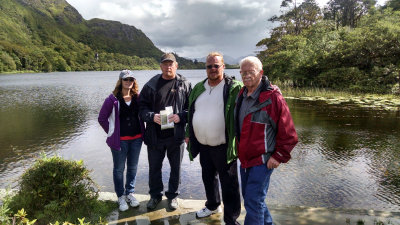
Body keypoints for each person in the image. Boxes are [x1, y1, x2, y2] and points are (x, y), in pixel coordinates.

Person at [235, 56, 298, 225]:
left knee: (253, 202)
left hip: (262, 160)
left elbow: (289, 134)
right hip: (245, 160)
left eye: (251, 72)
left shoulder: (273, 98)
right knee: (253, 199)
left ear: (261, 73)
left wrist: (278, 156)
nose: (246, 76)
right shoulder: (242, 93)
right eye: (243, 72)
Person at [186, 52, 242, 225]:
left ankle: (231, 219)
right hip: (203, 145)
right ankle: (212, 206)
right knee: (208, 177)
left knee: (229, 184)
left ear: (223, 67)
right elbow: (191, 112)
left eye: (216, 65)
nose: (212, 69)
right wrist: (188, 133)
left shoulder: (234, 87)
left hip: (223, 145)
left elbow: (252, 97)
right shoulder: (198, 87)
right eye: (209, 66)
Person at [139, 53, 191, 210]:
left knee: (176, 168)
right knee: (154, 168)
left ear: (176, 65)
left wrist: (181, 116)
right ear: (161, 66)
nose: (168, 66)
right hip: (155, 137)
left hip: (176, 136)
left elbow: (193, 109)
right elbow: (141, 109)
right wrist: (151, 116)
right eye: (165, 64)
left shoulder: (185, 84)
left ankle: (173, 196)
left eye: (171, 64)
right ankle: (155, 196)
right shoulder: (151, 85)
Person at [98, 70, 144, 211]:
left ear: (133, 82)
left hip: (136, 139)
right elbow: (102, 118)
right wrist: (112, 132)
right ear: (120, 81)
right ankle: (120, 197)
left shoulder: (138, 97)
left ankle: (130, 193)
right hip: (119, 141)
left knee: (132, 168)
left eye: (131, 79)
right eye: (126, 79)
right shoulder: (112, 99)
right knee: (118, 169)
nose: (128, 82)